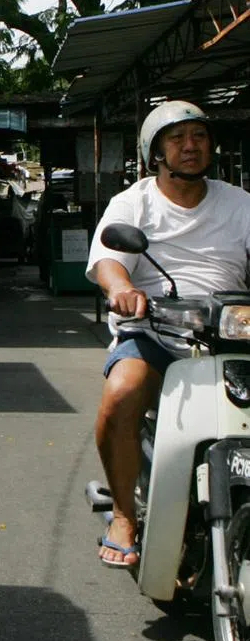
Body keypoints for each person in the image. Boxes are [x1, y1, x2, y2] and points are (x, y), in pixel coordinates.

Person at [86, 101, 250, 567]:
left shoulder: (239, 204)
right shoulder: (134, 202)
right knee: (121, 395)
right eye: (177, 139)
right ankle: (123, 515)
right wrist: (122, 288)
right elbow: (108, 260)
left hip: (231, 335)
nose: (190, 146)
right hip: (156, 334)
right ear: (154, 152)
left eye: (198, 136)